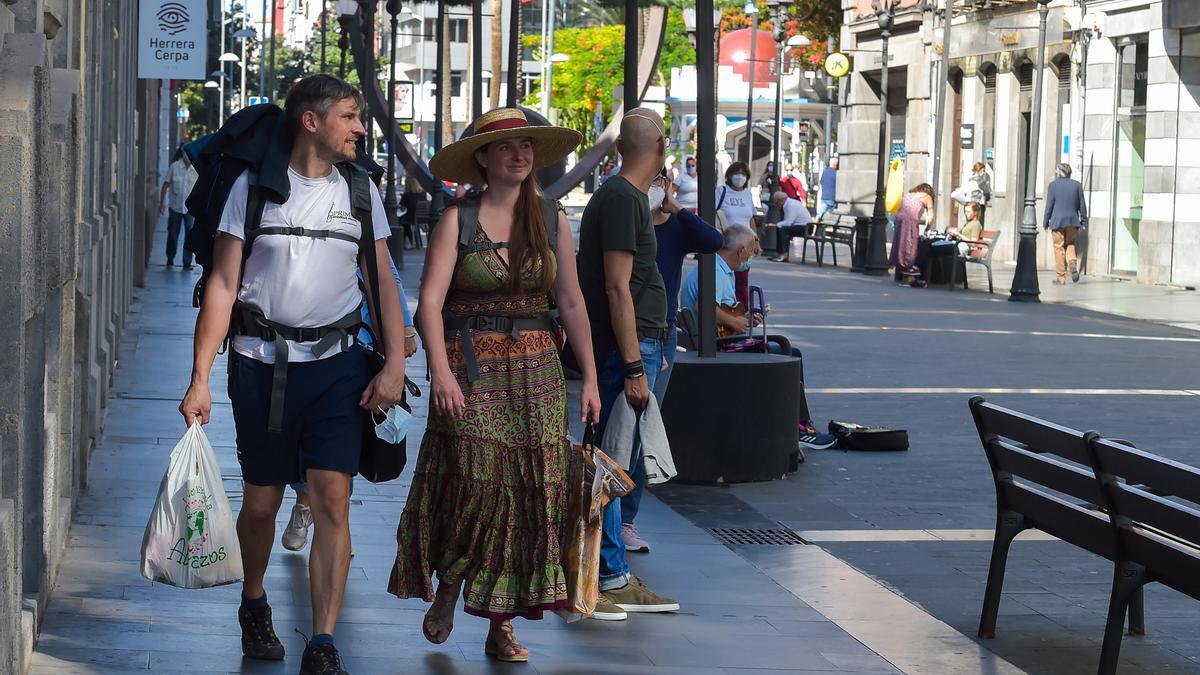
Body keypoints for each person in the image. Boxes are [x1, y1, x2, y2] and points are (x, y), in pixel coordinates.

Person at [178, 74, 409, 674]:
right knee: (261, 503)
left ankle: (324, 643)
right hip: (260, 367)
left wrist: (396, 363)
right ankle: (253, 601)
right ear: (312, 121)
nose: (362, 127)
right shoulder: (253, 190)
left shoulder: (361, 194)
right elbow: (225, 285)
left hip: (339, 368)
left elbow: (382, 281)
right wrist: (200, 377)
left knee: (333, 499)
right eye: (351, 116)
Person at [389, 107, 600, 663]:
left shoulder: (551, 218)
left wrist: (593, 378)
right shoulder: (456, 220)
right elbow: (429, 304)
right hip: (469, 368)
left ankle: (499, 623)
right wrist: (438, 370)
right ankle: (453, 586)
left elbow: (572, 303)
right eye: (506, 147)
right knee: (476, 485)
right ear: (483, 158)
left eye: (526, 146)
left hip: (539, 375)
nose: (519, 154)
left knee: (530, 494)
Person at [576, 107, 681, 622]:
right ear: (660, 147)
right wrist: (636, 365)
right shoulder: (620, 198)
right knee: (614, 461)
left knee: (617, 459)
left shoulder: (629, 200)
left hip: (636, 341)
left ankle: (608, 572)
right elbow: (618, 286)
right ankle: (610, 575)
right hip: (628, 345)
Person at [680, 225, 837, 451]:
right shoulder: (714, 269)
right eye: (752, 250)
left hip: (716, 340)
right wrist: (735, 322)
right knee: (787, 352)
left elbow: (720, 309)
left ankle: (801, 425)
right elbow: (703, 305)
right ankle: (799, 427)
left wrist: (742, 318)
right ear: (741, 250)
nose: (752, 256)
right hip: (714, 346)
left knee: (790, 352)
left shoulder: (719, 268)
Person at [1044, 163, 1087, 284]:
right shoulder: (1077, 185)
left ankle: (1061, 277)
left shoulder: (1053, 185)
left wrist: (1045, 221)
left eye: (1057, 170)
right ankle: (1072, 263)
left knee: (1058, 247)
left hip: (1057, 221)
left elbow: (1049, 205)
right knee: (1070, 243)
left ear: (1059, 172)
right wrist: (1083, 221)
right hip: (1073, 221)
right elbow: (1082, 205)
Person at [158, 145, 199, 269]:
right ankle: (170, 257)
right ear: (182, 153)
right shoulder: (174, 167)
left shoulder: (196, 169)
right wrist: (162, 203)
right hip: (175, 207)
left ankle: (187, 261)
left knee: (189, 235)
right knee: (173, 233)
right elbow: (165, 185)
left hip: (190, 209)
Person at [888, 183, 936, 286]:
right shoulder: (927, 197)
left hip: (899, 218)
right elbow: (931, 218)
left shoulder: (910, 194)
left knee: (901, 244)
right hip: (911, 219)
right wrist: (927, 229)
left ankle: (902, 272)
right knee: (911, 245)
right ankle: (909, 273)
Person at [768, 191, 814, 263]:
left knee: (782, 229)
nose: (777, 205)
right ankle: (781, 253)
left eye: (776, 203)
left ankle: (783, 254)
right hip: (803, 226)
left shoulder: (790, 205)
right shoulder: (789, 204)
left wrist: (775, 225)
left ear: (781, 200)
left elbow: (788, 222)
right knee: (781, 228)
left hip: (805, 228)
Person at [716, 161, 758, 228]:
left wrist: (755, 236)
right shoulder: (721, 191)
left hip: (746, 237)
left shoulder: (748, 194)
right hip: (726, 236)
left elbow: (751, 219)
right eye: (736, 173)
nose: (740, 176)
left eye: (743, 174)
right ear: (730, 176)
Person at [398, 175, 429, 247]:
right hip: (423, 217)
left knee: (400, 220)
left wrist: (403, 199)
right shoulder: (423, 193)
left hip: (411, 217)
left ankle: (405, 243)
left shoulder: (406, 195)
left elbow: (402, 209)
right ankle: (413, 243)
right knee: (405, 222)